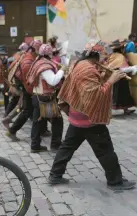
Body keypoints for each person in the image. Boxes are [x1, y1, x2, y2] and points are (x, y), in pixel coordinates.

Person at [48, 39, 136, 191]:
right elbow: (93, 95)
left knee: (67, 147)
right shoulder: (87, 69)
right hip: (90, 118)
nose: (104, 58)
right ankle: (115, 181)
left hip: (77, 116)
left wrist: (105, 74)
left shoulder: (81, 64)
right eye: (103, 55)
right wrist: (111, 80)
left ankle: (55, 175)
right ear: (96, 55)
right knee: (106, 150)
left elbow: (91, 85)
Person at [27, 44, 64, 152]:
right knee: (58, 120)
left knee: (37, 122)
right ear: (49, 54)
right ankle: (55, 145)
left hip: (38, 97)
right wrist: (63, 71)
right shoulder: (45, 66)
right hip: (44, 99)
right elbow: (53, 81)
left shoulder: (38, 62)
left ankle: (35, 145)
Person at [4, 40, 42, 140]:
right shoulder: (28, 61)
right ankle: (12, 130)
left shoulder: (27, 56)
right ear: (36, 50)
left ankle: (10, 126)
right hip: (27, 89)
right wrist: (33, 92)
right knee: (27, 111)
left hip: (25, 88)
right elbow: (27, 80)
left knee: (26, 110)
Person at [106, 39, 137, 114]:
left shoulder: (112, 55)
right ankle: (112, 112)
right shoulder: (120, 57)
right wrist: (133, 68)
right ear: (121, 49)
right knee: (123, 94)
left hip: (114, 77)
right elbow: (122, 69)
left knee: (115, 95)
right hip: (121, 78)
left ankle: (125, 110)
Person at [3, 43, 30, 128]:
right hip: (20, 87)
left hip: (16, 85)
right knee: (21, 105)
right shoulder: (21, 58)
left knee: (19, 104)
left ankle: (7, 117)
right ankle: (7, 119)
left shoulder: (17, 57)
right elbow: (20, 74)